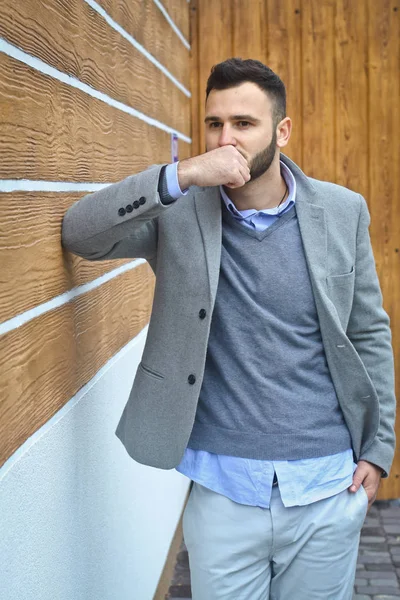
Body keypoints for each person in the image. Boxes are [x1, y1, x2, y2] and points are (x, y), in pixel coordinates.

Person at [61, 58, 396, 599]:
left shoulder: (341, 211)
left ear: (281, 131)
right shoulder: (180, 212)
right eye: (214, 124)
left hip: (326, 486)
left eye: (244, 123)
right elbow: (80, 233)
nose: (226, 138)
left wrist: (378, 449)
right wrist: (182, 175)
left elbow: (368, 333)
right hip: (222, 489)